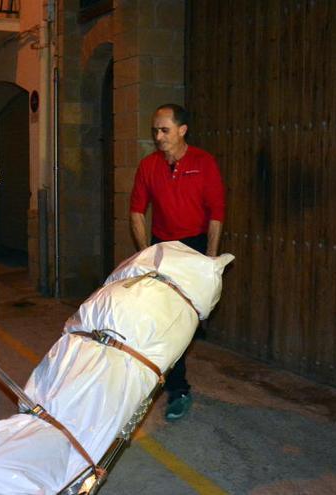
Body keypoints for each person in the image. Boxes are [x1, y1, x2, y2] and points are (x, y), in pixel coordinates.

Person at [129, 104, 225, 421]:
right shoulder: (148, 166)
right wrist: (145, 255)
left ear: (182, 130)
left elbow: (216, 213)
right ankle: (178, 389)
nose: (158, 136)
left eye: (164, 130)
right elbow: (137, 211)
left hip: (195, 247)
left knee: (185, 322)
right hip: (162, 248)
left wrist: (210, 259)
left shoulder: (204, 162)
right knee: (164, 321)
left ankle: (175, 377)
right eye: (155, 130)